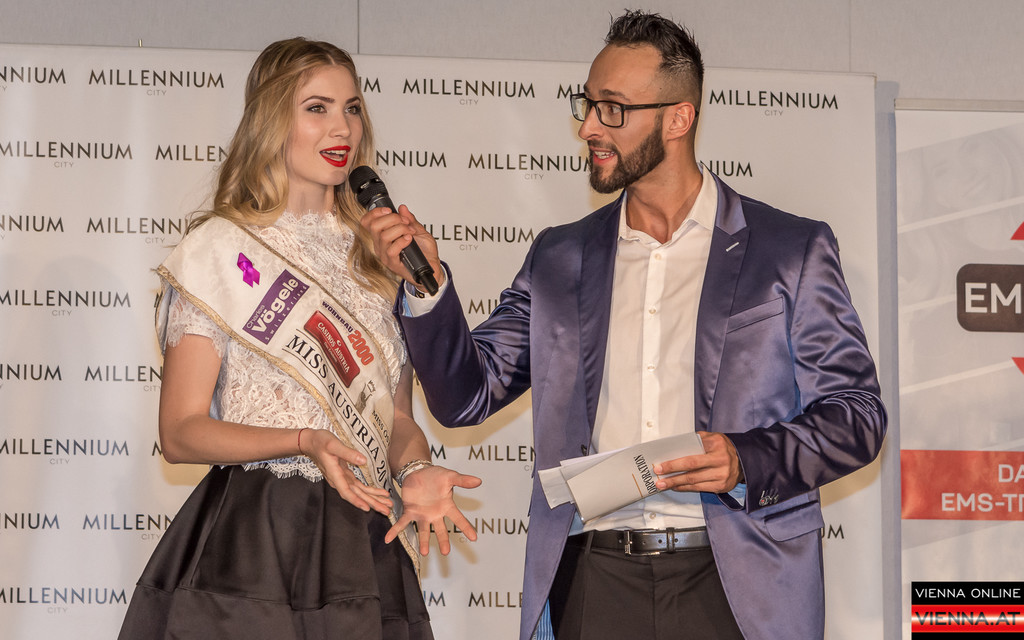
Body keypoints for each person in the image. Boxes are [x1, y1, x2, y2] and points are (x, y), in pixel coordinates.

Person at [363, 10, 886, 640]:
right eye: (587, 105)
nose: (588, 127)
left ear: (678, 119)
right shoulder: (559, 258)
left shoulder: (789, 249)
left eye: (612, 109)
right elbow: (465, 397)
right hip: (594, 579)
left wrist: (746, 459)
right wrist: (427, 287)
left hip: (738, 585)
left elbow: (857, 416)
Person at [118, 37, 480, 640]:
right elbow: (179, 433)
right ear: (271, 120)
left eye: (352, 108)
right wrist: (304, 441)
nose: (342, 128)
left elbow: (395, 420)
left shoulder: (379, 261)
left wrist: (416, 468)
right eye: (317, 108)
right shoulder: (219, 250)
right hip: (256, 539)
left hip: (362, 539)